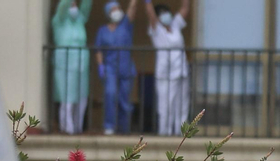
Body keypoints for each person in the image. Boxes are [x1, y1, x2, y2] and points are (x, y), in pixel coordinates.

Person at [141, 0, 189, 137]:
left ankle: (182, 134)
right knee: (165, 106)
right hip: (165, 74)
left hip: (181, 70)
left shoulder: (175, 25)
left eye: (166, 12)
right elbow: (150, 13)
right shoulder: (157, 29)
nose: (165, 16)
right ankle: (165, 134)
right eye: (161, 14)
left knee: (182, 105)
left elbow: (185, 7)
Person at [93, 0, 136, 136]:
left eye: (119, 8)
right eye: (114, 9)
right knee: (110, 94)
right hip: (110, 68)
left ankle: (124, 127)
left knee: (124, 99)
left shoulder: (125, 25)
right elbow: (98, 49)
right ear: (108, 13)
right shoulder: (102, 31)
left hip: (126, 67)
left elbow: (132, 7)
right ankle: (109, 126)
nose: (117, 11)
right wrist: (101, 66)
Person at [51, 0, 93, 134]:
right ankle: (67, 128)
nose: (74, 7)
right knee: (67, 97)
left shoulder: (79, 20)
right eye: (72, 4)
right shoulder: (60, 19)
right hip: (65, 62)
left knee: (81, 96)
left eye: (76, 4)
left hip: (81, 61)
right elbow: (63, 6)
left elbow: (86, 6)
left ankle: (77, 127)